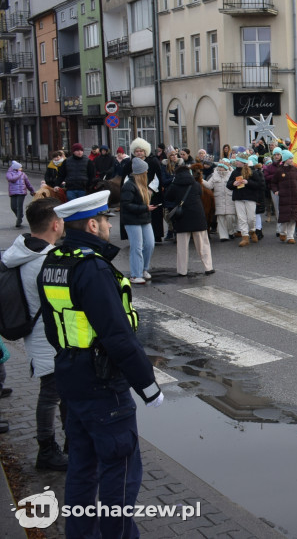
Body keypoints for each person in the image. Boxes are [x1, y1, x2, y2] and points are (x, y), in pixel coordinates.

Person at [37, 191, 164, 539]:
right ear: (92, 224)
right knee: (120, 473)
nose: (109, 225)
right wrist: (148, 386)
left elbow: (51, 326)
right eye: (106, 220)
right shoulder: (91, 267)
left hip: (70, 377)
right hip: (103, 383)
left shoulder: (55, 261)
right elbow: (117, 335)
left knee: (81, 466)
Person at [1, 198, 69, 469]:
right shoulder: (44, 261)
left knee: (57, 393)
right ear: (55, 224)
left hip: (36, 335)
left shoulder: (21, 250)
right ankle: (47, 450)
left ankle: (65, 444)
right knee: (52, 394)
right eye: (62, 220)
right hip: (49, 339)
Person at [164, 161, 214, 275]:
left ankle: (182, 271)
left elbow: (168, 197)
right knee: (203, 245)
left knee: (182, 247)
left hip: (182, 218)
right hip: (198, 216)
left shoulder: (174, 185)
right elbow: (200, 194)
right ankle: (208, 267)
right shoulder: (195, 184)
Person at [120, 157, 157, 284]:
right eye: (145, 171)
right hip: (132, 220)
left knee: (150, 244)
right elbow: (126, 205)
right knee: (136, 247)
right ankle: (135, 275)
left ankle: (143, 269)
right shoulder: (128, 185)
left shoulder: (142, 185)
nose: (147, 173)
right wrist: (145, 208)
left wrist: (145, 208)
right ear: (141, 173)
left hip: (144, 218)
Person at [228, 156, 263, 247]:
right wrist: (233, 184)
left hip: (250, 198)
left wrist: (248, 182)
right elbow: (228, 184)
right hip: (238, 198)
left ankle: (252, 231)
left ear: (244, 162)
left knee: (251, 218)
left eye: (238, 161)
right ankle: (245, 237)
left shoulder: (252, 172)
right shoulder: (234, 172)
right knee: (241, 218)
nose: (237, 162)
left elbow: (259, 184)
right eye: (236, 161)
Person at [272, 150, 297, 244]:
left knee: (293, 218)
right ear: (286, 159)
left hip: (295, 198)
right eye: (290, 158)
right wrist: (276, 191)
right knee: (284, 218)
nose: (292, 160)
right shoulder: (279, 170)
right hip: (284, 198)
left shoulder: (295, 169)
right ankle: (282, 232)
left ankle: (290, 237)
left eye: (292, 158)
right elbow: (273, 182)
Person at [6, 160, 36, 227]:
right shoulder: (9, 173)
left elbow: (28, 183)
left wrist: (32, 191)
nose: (21, 168)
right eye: (20, 167)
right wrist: (19, 173)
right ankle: (20, 215)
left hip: (21, 192)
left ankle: (19, 220)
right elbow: (11, 179)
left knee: (19, 206)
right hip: (13, 192)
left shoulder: (23, 174)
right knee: (13, 207)